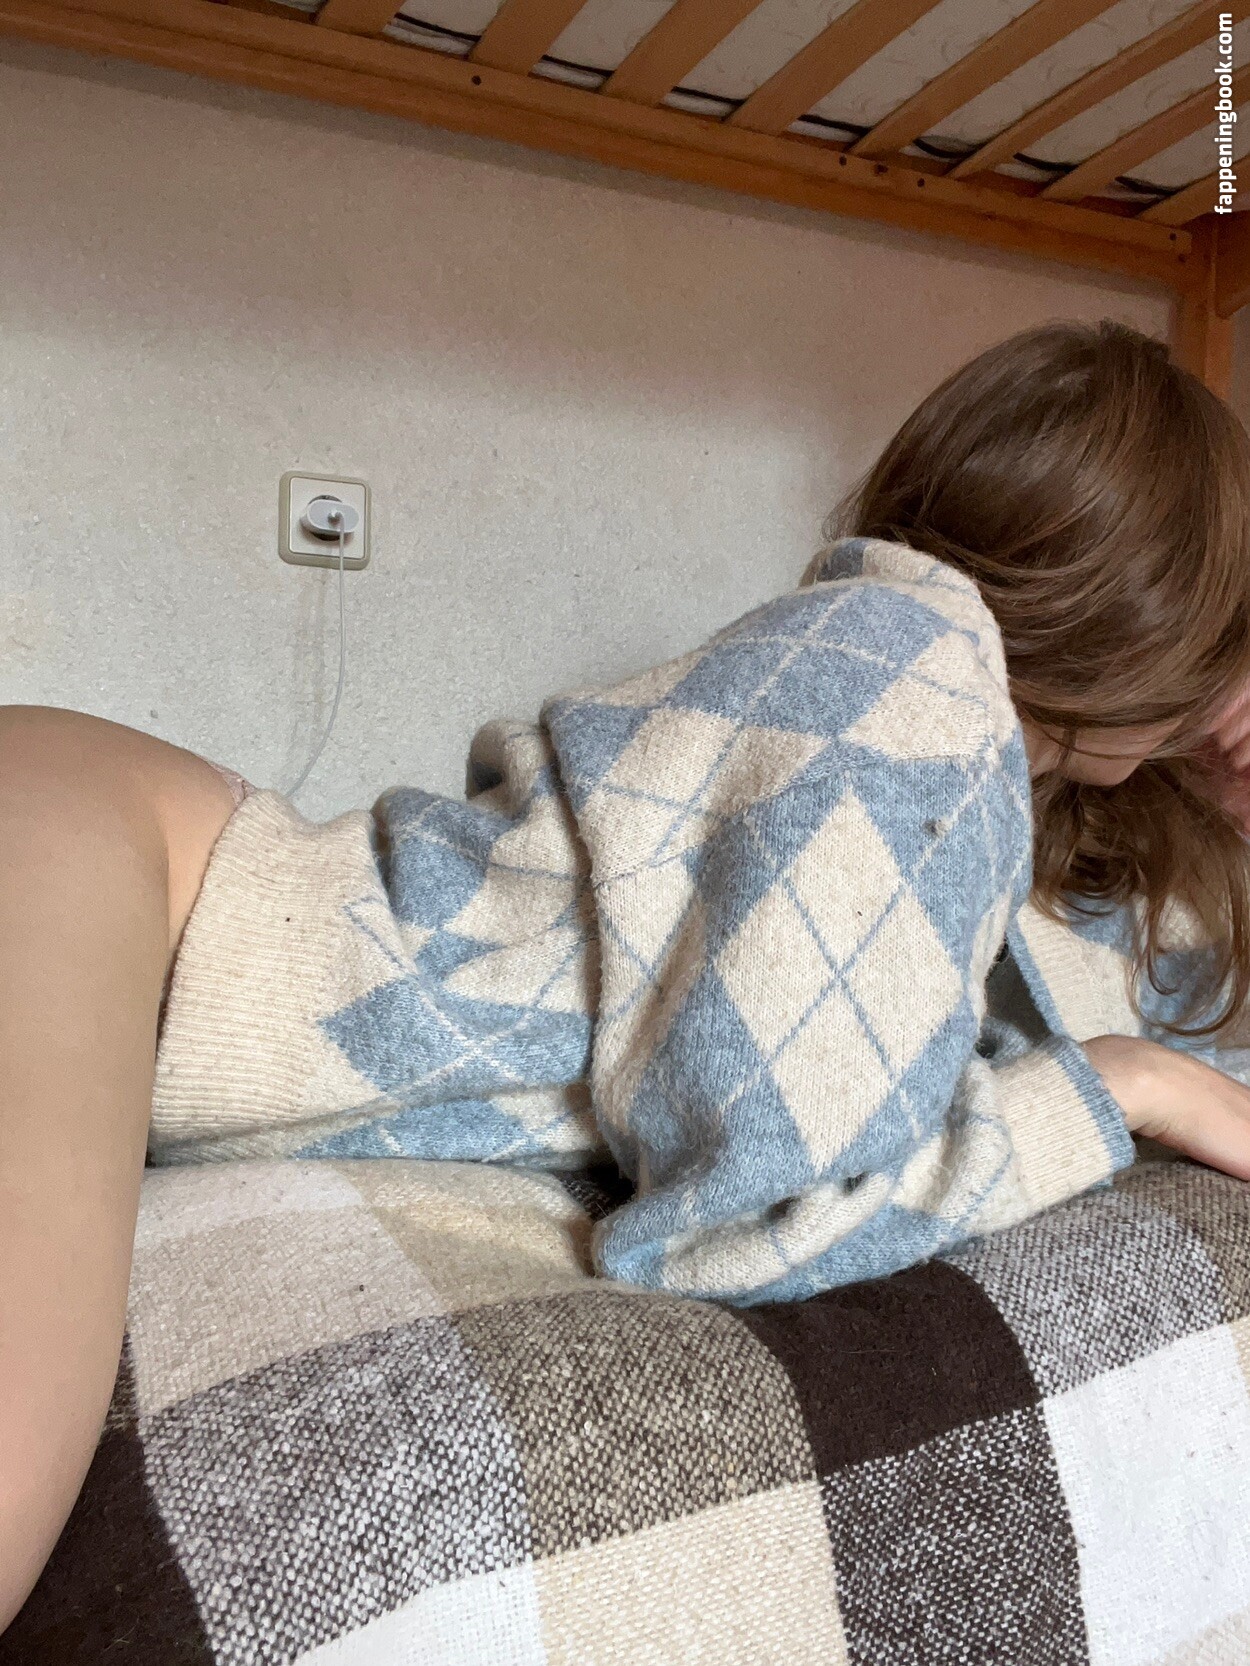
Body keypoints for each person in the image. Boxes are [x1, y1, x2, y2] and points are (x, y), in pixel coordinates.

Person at [4, 317, 1250, 1625]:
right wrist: (1119, 1085)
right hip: (128, 872)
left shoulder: (911, 693)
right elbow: (760, 1223)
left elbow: (1106, 990)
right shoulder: (915, 691)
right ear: (1157, 606)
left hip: (138, 852)